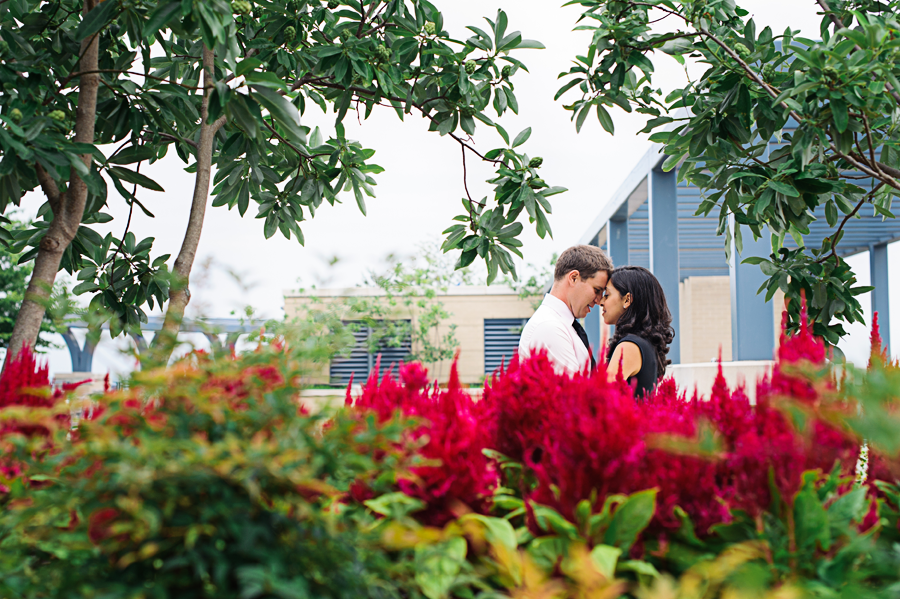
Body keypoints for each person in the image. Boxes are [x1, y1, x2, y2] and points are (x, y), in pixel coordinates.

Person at [518, 245, 614, 374]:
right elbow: (574, 391)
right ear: (573, 278)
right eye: (597, 290)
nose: (598, 300)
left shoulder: (560, 325)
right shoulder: (548, 327)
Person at [599, 266, 675, 398]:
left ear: (627, 299)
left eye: (607, 295)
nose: (601, 302)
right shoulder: (644, 343)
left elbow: (603, 398)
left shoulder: (629, 346)